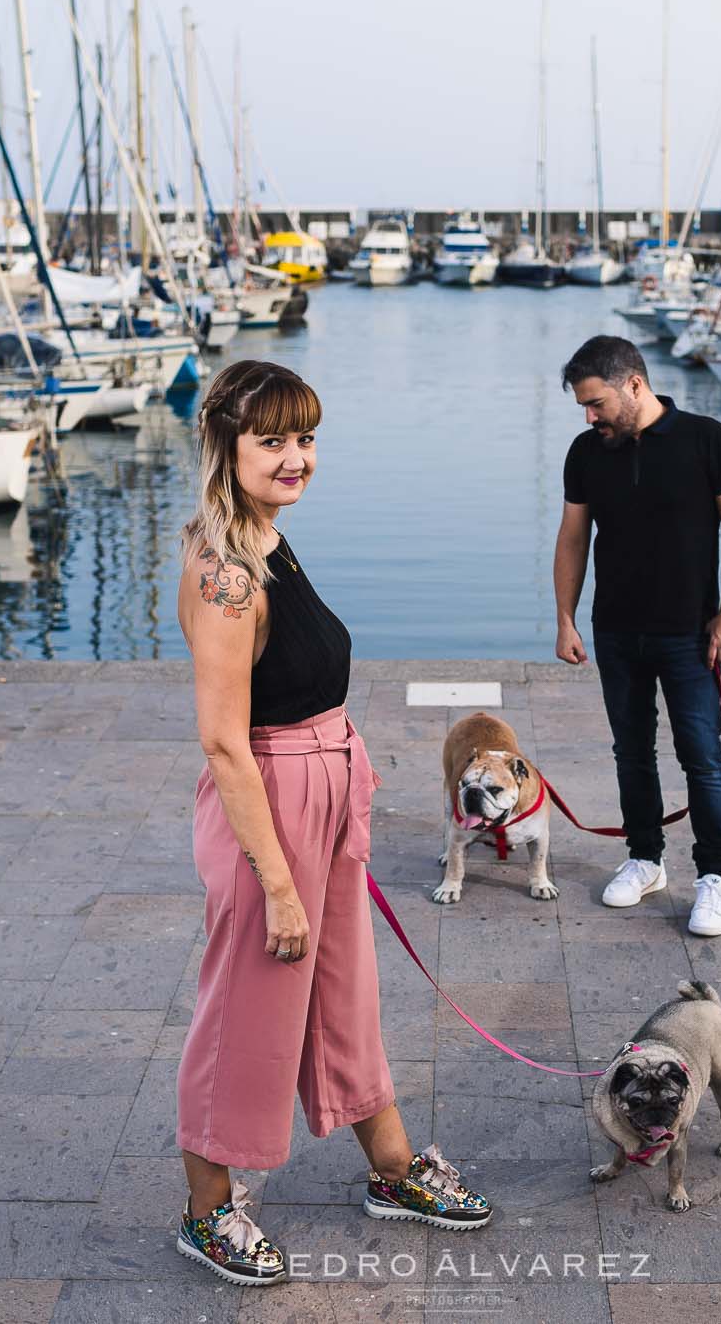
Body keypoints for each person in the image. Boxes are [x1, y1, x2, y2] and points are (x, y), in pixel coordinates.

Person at [172, 360, 492, 1287]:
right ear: (226, 447)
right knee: (247, 1016)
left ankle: (391, 1169)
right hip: (269, 807)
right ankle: (205, 1210)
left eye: (304, 437)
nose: (294, 456)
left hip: (321, 789)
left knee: (342, 996)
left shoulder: (266, 540)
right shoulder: (226, 572)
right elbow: (225, 745)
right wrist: (276, 880)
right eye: (271, 439)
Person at [552, 336, 721, 938]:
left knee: (703, 757)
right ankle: (645, 858)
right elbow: (573, 537)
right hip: (615, 629)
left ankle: (714, 876)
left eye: (596, 404)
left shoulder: (708, 440)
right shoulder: (586, 452)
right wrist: (565, 617)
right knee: (631, 752)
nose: (590, 417)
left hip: (690, 633)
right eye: (584, 408)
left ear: (633, 386)